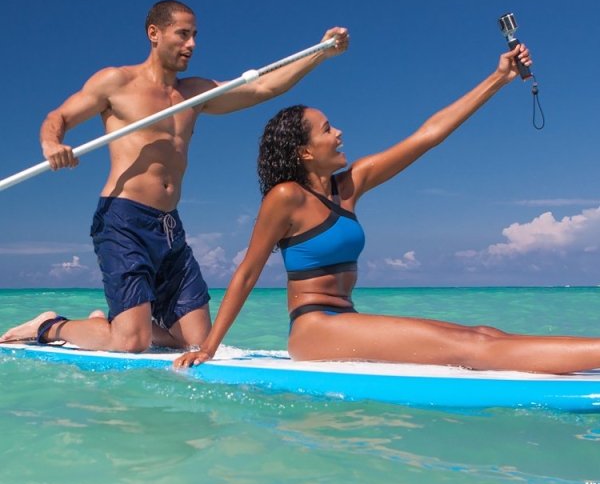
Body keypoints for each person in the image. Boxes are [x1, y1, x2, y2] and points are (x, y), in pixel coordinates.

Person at [174, 44, 600, 374]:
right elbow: (247, 271)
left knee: (485, 333)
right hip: (316, 329)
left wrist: (499, 77)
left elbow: (428, 135)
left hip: (345, 319)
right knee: (473, 349)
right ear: (304, 151)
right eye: (327, 130)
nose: (339, 133)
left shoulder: (349, 186)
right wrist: (209, 347)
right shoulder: (287, 197)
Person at [0, 0, 349, 352]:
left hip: (169, 225)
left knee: (196, 343)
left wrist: (320, 53)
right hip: (124, 219)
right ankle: (51, 326)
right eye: (183, 34)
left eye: (195, 35)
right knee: (131, 343)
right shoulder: (116, 82)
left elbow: (264, 87)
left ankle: (109, 324)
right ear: (154, 33)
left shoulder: (196, 92)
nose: (192, 44)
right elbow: (58, 117)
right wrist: (51, 144)